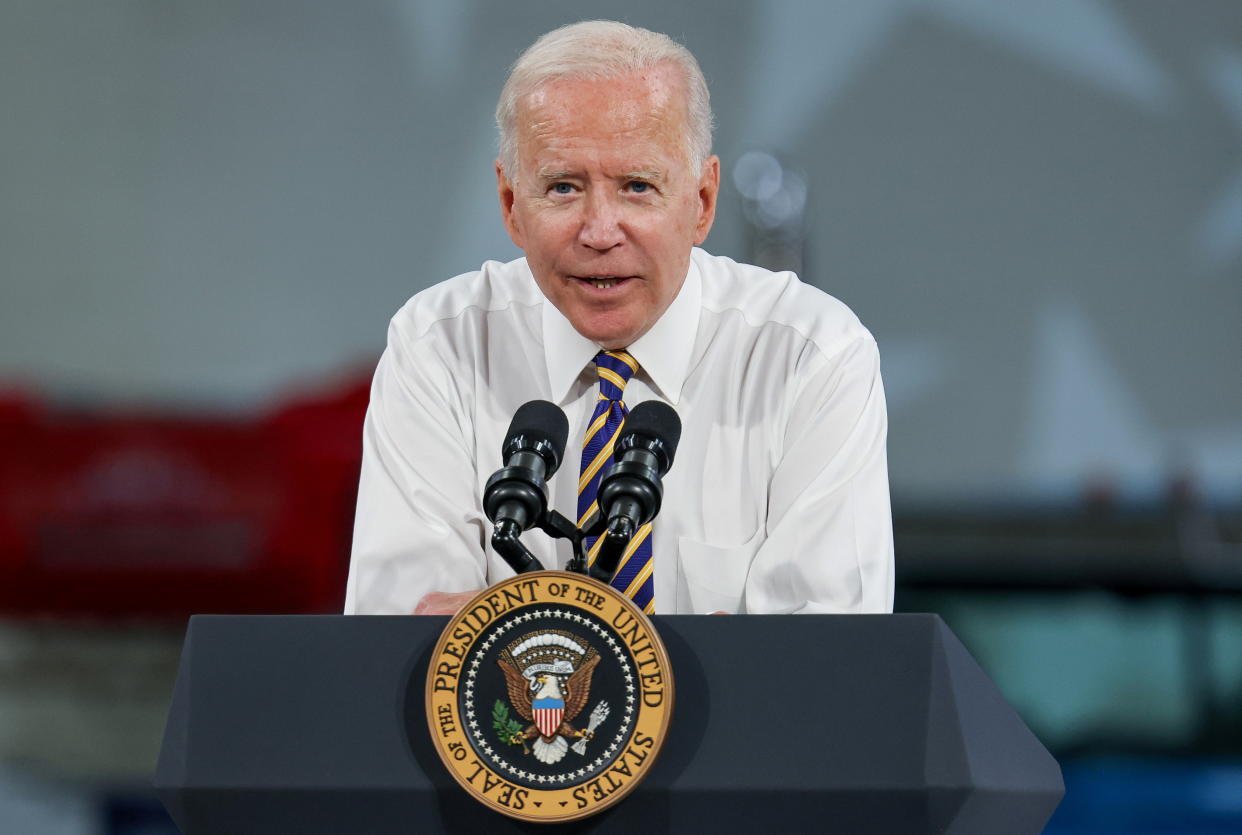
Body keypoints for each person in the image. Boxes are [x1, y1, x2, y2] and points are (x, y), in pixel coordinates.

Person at [344, 20, 893, 616]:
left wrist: (506, 624)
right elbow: (407, 644)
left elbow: (827, 662)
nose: (600, 232)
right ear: (511, 206)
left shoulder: (812, 355)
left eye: (636, 186)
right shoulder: (440, 346)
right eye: (562, 188)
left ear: (702, 202)